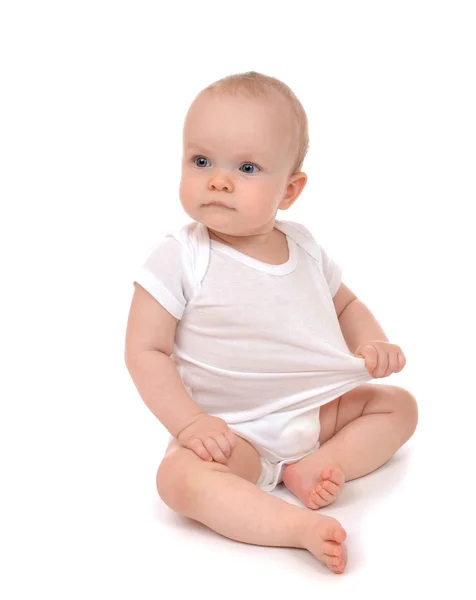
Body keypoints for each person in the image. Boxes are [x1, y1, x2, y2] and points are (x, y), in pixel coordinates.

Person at [124, 71, 418, 574]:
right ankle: (293, 527)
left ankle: (322, 468)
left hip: (315, 413)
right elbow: (144, 350)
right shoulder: (181, 256)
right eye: (201, 161)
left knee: (399, 408)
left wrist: (372, 342)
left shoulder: (303, 245)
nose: (218, 179)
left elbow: (345, 304)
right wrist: (190, 424)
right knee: (177, 480)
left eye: (247, 167)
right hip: (232, 433)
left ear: (290, 189)